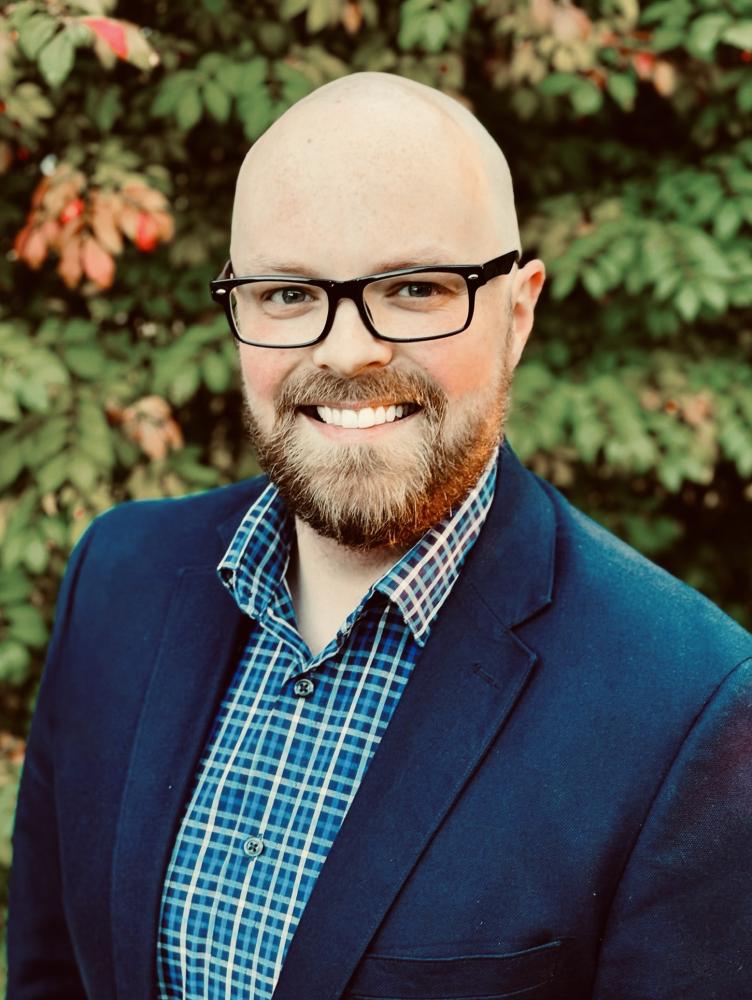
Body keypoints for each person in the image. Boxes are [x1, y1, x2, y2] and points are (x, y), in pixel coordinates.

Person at [7, 72, 752, 1000]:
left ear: (517, 312)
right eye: (286, 294)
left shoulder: (689, 706)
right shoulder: (116, 577)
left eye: (413, 287)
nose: (347, 350)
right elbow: (48, 975)